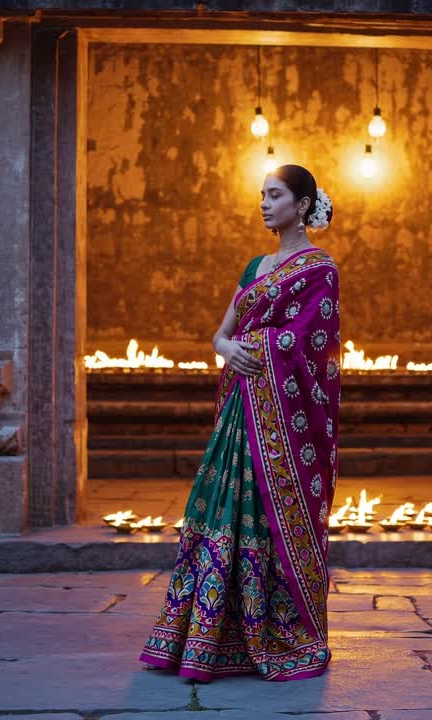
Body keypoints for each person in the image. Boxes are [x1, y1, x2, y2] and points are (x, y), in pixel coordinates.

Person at [139, 165, 341, 682]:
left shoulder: (320, 270)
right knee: (219, 507)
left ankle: (274, 632)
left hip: (281, 420)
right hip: (240, 410)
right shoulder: (254, 268)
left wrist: (254, 347)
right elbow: (221, 335)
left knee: (265, 515)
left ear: (302, 205)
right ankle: (205, 636)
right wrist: (230, 347)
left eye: (275, 196)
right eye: (262, 195)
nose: (264, 204)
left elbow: (307, 345)